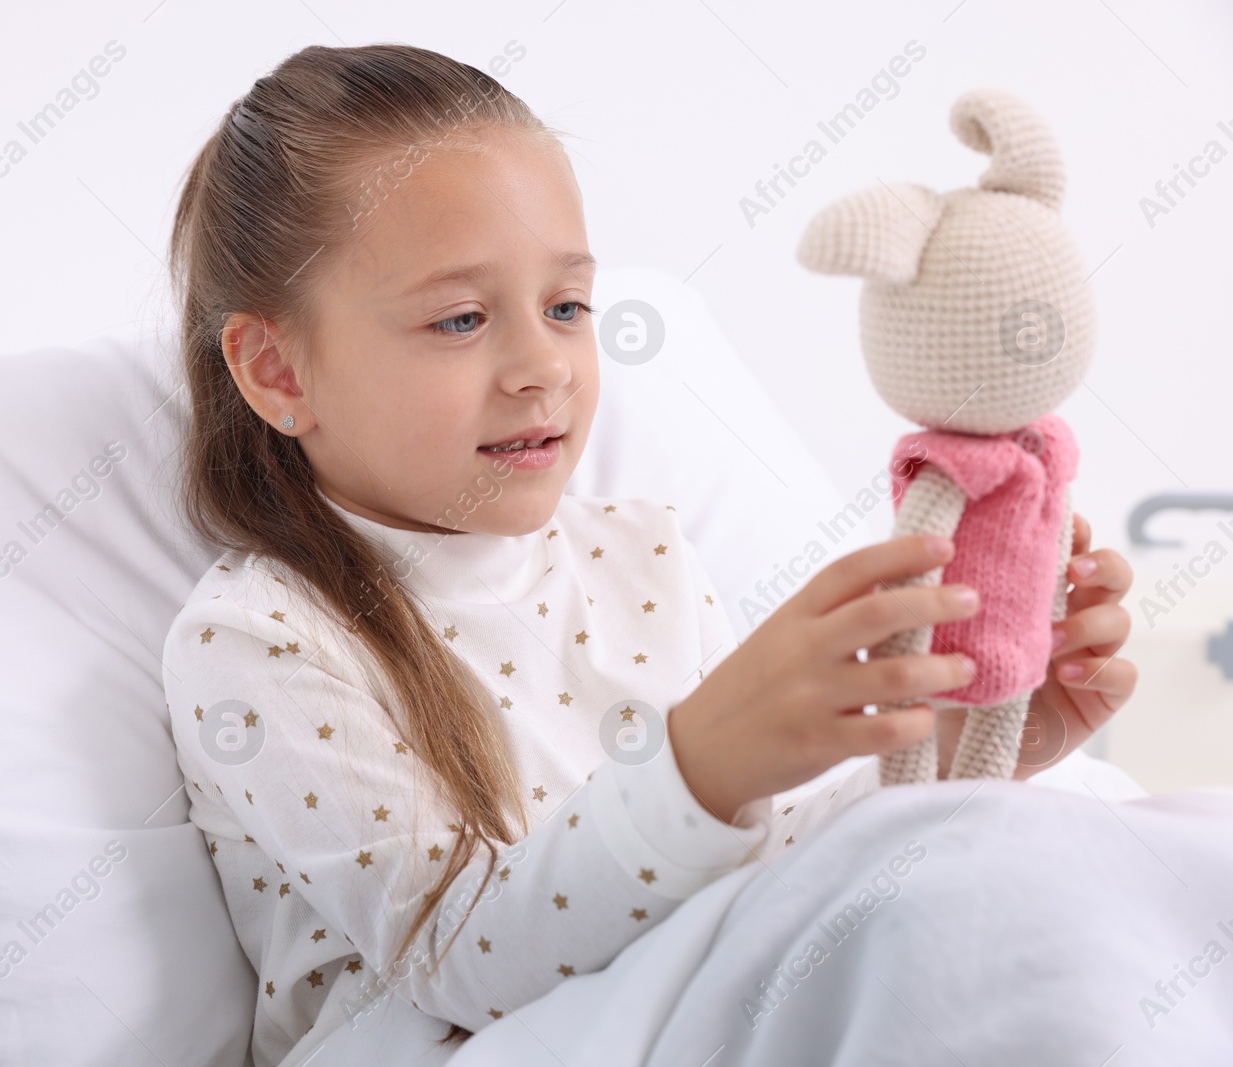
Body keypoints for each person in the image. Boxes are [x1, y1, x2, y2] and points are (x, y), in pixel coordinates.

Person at [160, 43, 1137, 1067]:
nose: (542, 365)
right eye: (459, 317)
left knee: (1041, 908)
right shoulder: (260, 638)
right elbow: (455, 960)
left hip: (694, 1008)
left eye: (568, 307)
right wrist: (701, 763)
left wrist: (970, 732)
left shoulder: (637, 551)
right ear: (277, 371)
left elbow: (761, 867)